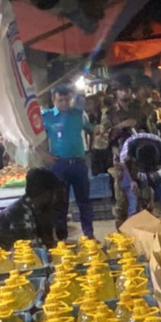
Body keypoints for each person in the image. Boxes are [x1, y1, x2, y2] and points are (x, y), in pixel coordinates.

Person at [43, 85, 95, 240]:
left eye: (67, 100)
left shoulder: (78, 114)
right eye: (60, 100)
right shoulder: (46, 117)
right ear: (53, 100)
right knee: (60, 204)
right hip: (60, 165)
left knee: (84, 201)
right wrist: (45, 155)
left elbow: (92, 130)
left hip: (79, 163)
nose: (64, 103)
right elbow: (34, 138)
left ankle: (89, 234)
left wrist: (90, 149)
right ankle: (62, 238)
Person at [105, 74, 151, 226]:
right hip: (121, 162)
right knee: (121, 202)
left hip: (140, 160)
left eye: (128, 89)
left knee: (144, 199)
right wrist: (121, 126)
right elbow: (102, 139)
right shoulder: (110, 114)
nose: (125, 93)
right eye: (122, 90)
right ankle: (121, 233)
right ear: (115, 92)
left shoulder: (139, 111)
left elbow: (150, 133)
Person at [0, 168, 67, 249]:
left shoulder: (32, 208)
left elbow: (46, 242)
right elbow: (34, 250)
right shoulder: (20, 214)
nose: (57, 199)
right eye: (56, 194)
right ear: (47, 194)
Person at [118, 132, 161, 217]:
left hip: (157, 174)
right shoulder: (129, 147)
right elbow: (124, 163)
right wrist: (132, 181)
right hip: (135, 173)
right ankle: (135, 221)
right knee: (134, 206)